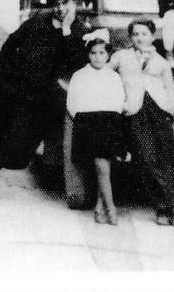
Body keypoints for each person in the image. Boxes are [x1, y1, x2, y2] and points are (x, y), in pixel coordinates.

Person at [0, 0, 89, 203]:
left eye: (66, 3)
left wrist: (67, 31)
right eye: (56, 4)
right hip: (12, 88)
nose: (60, 9)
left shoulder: (79, 31)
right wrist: (5, 74)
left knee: (19, 147)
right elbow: (9, 46)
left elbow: (75, 65)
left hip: (40, 97)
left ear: (75, 4)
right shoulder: (36, 22)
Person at [111, 19, 174, 226]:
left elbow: (171, 91)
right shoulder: (121, 57)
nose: (139, 38)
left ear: (152, 36)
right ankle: (172, 206)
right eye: (135, 34)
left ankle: (164, 208)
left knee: (165, 159)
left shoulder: (161, 61)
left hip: (160, 111)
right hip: (135, 110)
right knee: (146, 158)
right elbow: (105, 73)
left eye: (144, 34)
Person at [66, 38, 127, 225]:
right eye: (93, 53)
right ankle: (110, 208)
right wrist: (83, 119)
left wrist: (110, 118)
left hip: (109, 122)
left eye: (102, 53)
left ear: (108, 55)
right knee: (101, 166)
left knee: (105, 166)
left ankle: (101, 208)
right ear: (88, 55)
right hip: (87, 122)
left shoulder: (113, 77)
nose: (97, 57)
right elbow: (72, 102)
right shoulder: (79, 75)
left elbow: (119, 100)